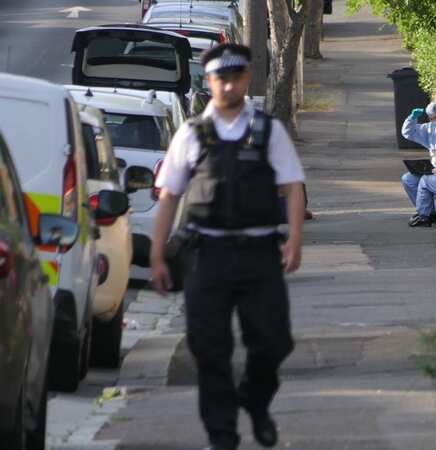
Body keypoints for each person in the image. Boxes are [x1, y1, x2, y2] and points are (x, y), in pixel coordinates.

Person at [149, 44, 305, 450]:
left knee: (273, 340)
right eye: (222, 78)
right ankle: (222, 435)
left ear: (246, 79)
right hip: (207, 256)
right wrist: (156, 256)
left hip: (259, 254)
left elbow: (292, 189)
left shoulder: (268, 130)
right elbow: (168, 196)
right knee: (208, 347)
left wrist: (295, 242)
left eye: (237, 77)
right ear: (210, 81)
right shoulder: (191, 134)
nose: (230, 84)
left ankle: (255, 400)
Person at [400, 102, 436, 217]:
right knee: (408, 179)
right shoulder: (429, 129)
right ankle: (426, 212)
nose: (434, 121)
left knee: (426, 181)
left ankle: (430, 213)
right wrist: (412, 118)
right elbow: (408, 132)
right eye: (431, 118)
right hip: (434, 169)